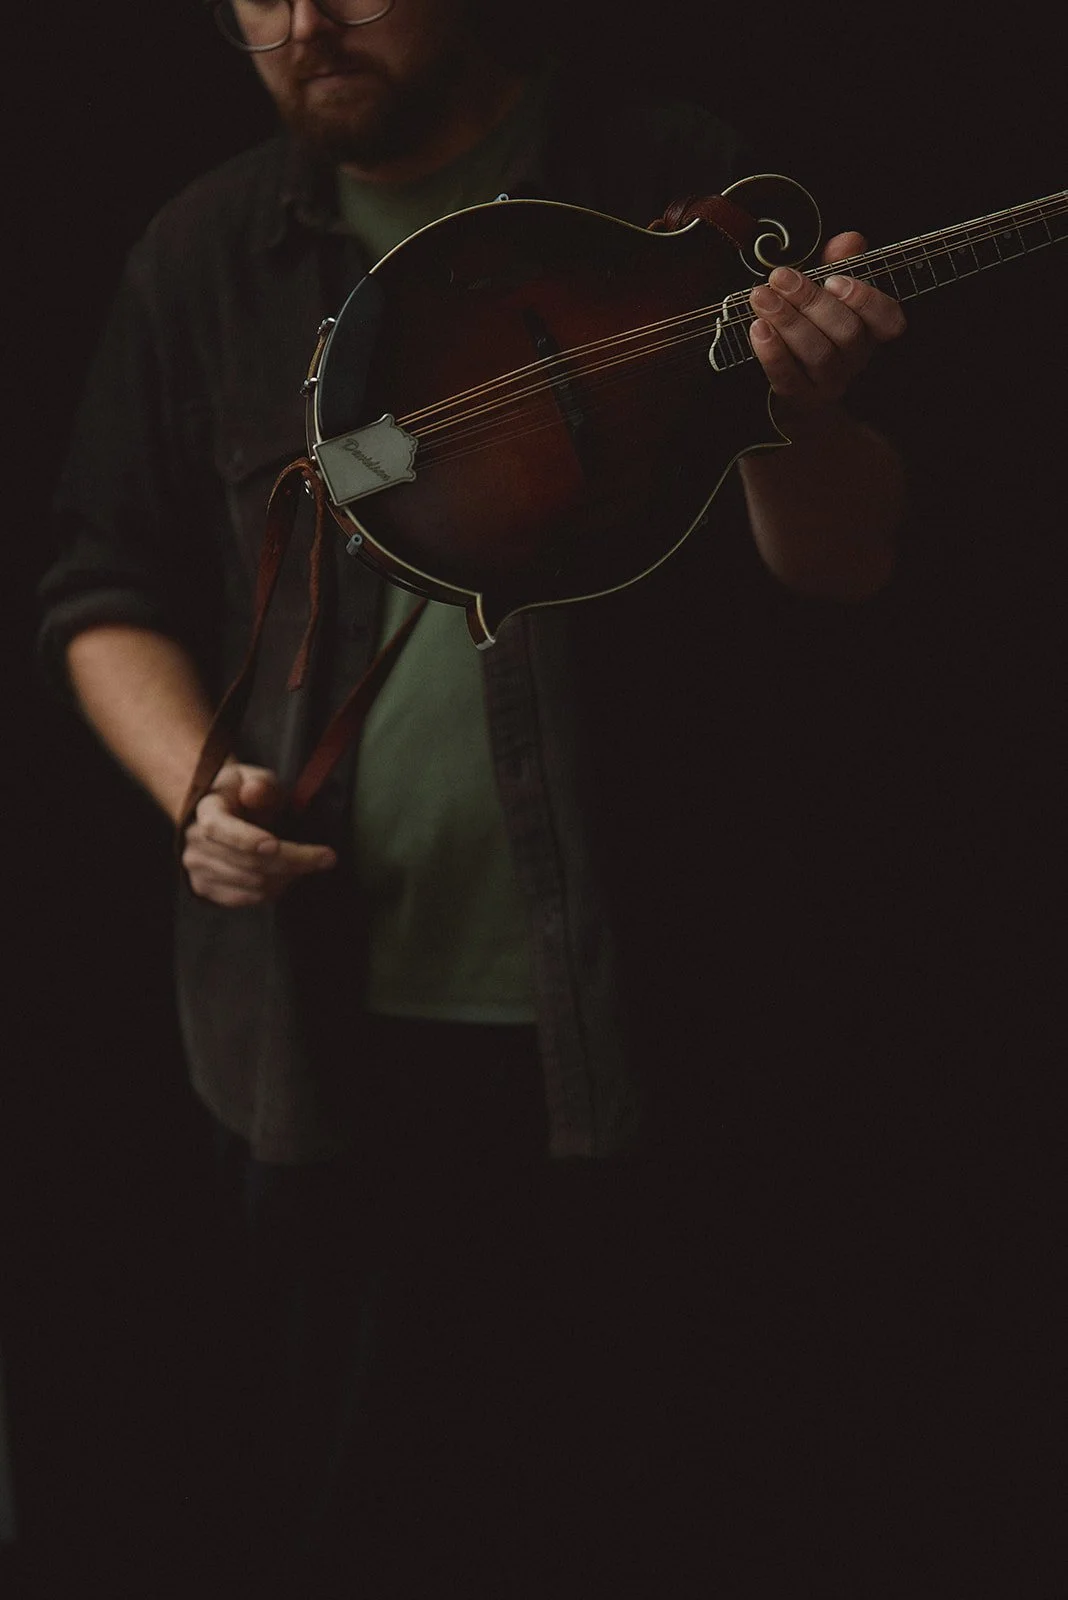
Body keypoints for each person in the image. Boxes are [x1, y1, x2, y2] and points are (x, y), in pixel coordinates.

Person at [40, 1, 911, 1593]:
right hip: (319, 1045)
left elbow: (844, 567)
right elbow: (102, 583)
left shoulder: (666, 176)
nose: (306, 25)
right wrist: (191, 794)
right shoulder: (208, 250)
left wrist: (811, 405)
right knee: (352, 1529)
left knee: (642, 1516)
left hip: (655, 1024)